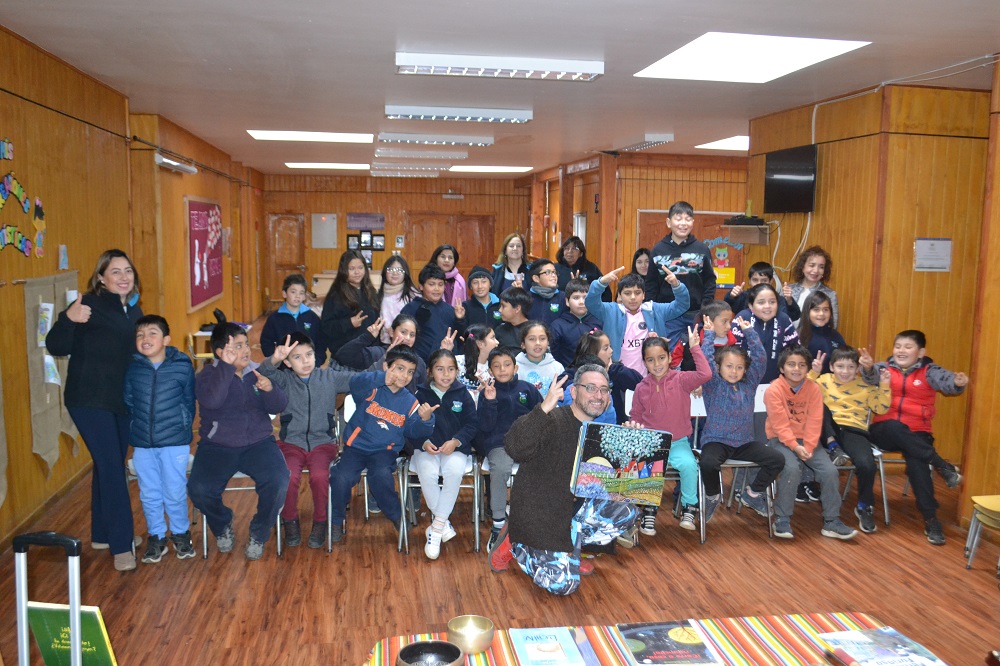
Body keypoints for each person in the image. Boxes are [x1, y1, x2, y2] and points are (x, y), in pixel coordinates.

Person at [488, 366, 639, 596]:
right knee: (564, 585)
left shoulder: (605, 433)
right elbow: (514, 447)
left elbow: (616, 487)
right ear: (574, 391)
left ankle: (571, 552)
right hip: (540, 518)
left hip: (571, 516)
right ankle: (516, 542)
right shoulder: (552, 419)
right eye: (590, 388)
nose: (598, 395)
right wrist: (543, 408)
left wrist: (633, 444)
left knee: (626, 510)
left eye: (603, 390)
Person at [46, 249, 144, 571]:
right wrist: (66, 320)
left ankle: (102, 533)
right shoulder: (87, 304)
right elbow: (56, 345)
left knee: (110, 464)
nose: (123, 277)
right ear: (101, 277)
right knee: (114, 469)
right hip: (88, 399)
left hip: (120, 399)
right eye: (115, 271)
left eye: (127, 270)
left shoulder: (133, 308)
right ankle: (121, 545)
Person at [187, 323, 291, 560]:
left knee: (278, 480)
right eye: (238, 346)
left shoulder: (257, 371)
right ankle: (223, 522)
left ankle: (259, 532)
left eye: (246, 344)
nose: (246, 350)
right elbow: (213, 401)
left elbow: (278, 406)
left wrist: (269, 389)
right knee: (199, 489)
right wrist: (225, 368)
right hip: (217, 446)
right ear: (220, 352)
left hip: (258, 443)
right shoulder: (207, 375)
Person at [258, 333, 362, 549]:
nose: (305, 361)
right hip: (291, 444)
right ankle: (290, 521)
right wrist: (275, 359)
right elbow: (264, 371)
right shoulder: (284, 379)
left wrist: (385, 364)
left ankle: (321, 522)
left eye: (309, 355)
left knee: (320, 476)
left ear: (316, 356)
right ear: (287, 362)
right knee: (288, 477)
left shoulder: (329, 377)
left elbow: (361, 378)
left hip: (323, 444)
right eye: (297, 357)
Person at [865, 330, 967, 545]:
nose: (901, 351)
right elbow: (869, 376)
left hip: (918, 432)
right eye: (898, 346)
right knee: (894, 425)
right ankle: (941, 464)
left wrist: (957, 383)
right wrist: (866, 367)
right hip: (884, 431)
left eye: (908, 347)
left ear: (921, 352)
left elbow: (948, 382)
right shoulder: (883, 368)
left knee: (918, 462)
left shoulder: (930, 371)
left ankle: (931, 519)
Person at [328, 347, 437, 543]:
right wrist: (380, 378)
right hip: (356, 447)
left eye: (410, 372)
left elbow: (413, 432)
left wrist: (425, 420)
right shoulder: (372, 387)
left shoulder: (410, 402)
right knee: (341, 477)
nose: (404, 376)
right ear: (387, 367)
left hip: (384, 452)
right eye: (400, 368)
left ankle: (396, 516)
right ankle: (336, 520)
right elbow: (354, 384)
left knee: (381, 477)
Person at [764, 345, 858, 541]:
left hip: (808, 441)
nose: (796, 369)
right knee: (791, 468)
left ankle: (832, 521)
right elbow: (780, 426)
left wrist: (807, 446)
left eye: (801, 365)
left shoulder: (814, 389)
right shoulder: (774, 390)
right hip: (780, 440)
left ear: (808, 369)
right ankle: (782, 518)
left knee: (830, 471)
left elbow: (816, 421)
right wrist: (795, 447)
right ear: (782, 368)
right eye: (791, 365)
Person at [123, 314, 196, 563]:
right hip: (143, 443)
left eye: (152, 333)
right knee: (149, 493)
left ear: (166, 339)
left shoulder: (182, 366)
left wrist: (182, 425)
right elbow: (129, 401)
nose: (146, 338)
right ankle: (157, 536)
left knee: (174, 491)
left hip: (174, 441)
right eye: (140, 334)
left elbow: (189, 402)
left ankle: (180, 533)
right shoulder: (133, 368)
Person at [697, 316, 784, 524]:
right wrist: (708, 336)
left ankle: (752, 494)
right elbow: (706, 360)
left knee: (777, 460)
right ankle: (712, 495)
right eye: (729, 366)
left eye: (738, 367)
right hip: (716, 441)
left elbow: (761, 358)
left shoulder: (750, 383)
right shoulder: (713, 383)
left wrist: (749, 332)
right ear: (719, 368)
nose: (734, 371)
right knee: (707, 462)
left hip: (744, 443)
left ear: (745, 370)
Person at [630, 330, 711, 534]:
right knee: (647, 465)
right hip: (651, 444)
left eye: (661, 358)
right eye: (650, 360)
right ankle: (649, 511)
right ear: (644, 363)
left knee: (690, 466)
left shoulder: (681, 379)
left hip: (679, 443)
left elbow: (705, 374)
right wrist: (634, 425)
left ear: (669, 358)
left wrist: (694, 347)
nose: (657, 364)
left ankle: (689, 507)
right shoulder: (641, 388)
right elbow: (636, 416)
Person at [809, 346, 891, 534]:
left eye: (850, 367)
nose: (845, 372)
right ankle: (833, 447)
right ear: (831, 366)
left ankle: (864, 506)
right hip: (826, 429)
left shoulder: (865, 385)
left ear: (857, 369)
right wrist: (814, 372)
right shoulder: (823, 380)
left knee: (867, 464)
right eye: (840, 366)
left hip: (853, 430)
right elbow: (801, 393)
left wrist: (885, 385)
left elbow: (882, 408)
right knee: (818, 405)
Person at [407, 350, 479, 560]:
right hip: (426, 448)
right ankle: (443, 524)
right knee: (427, 474)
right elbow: (409, 426)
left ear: (457, 371)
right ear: (430, 372)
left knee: (454, 472)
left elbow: (472, 424)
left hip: (455, 448)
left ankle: (436, 529)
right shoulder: (419, 394)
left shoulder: (463, 393)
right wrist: (423, 441)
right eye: (440, 369)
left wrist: (456, 441)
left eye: (450, 369)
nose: (446, 374)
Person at [476, 347, 543, 550]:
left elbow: (542, 416)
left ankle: (534, 518)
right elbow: (485, 427)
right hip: (500, 444)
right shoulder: (487, 393)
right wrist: (490, 402)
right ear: (490, 371)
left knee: (542, 466)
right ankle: (498, 524)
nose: (502, 369)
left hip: (527, 442)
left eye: (506, 365)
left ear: (515, 367)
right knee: (500, 469)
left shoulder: (528, 389)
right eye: (496, 366)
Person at [585, 266, 690, 376]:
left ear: (644, 294)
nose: (633, 297)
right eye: (627, 293)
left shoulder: (654, 310)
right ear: (619, 295)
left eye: (637, 292)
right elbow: (591, 303)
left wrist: (676, 285)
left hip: (652, 376)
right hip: (619, 376)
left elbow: (682, 305)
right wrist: (601, 282)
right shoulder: (611, 311)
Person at [647, 201, 717, 341]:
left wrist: (705, 308)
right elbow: (650, 285)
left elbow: (710, 281)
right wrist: (652, 312)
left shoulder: (702, 250)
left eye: (688, 219)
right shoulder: (658, 250)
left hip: (696, 313)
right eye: (678, 219)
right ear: (668, 222)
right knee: (670, 353)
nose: (683, 223)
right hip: (668, 314)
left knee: (695, 354)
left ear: (693, 222)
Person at [334, 314, 426, 392]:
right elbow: (342, 356)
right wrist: (367, 337)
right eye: (403, 332)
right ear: (391, 332)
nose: (407, 338)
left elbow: (421, 392)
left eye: (412, 335)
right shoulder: (376, 353)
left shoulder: (419, 363)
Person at [569, 330, 642, 426]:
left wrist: (613, 369)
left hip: (616, 426)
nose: (611, 351)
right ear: (593, 353)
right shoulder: (575, 373)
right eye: (605, 348)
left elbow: (639, 383)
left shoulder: (615, 372)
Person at [400, 263, 465, 362]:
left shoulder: (450, 310)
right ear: (421, 286)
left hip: (447, 364)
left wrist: (460, 320)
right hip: (419, 364)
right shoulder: (410, 309)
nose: (437, 289)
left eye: (440, 284)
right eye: (431, 284)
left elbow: (459, 338)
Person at [320, 250, 379, 356]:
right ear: (344, 270)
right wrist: (349, 323)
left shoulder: (370, 291)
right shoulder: (336, 295)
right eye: (351, 269)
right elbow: (327, 327)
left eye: (360, 268)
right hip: (345, 351)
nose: (357, 272)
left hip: (368, 349)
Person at [259, 273, 327, 365]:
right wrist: (276, 360)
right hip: (284, 369)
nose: (297, 296)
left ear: (304, 296)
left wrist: (317, 361)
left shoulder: (312, 317)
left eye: (301, 293)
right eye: (293, 292)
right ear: (284, 293)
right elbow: (266, 342)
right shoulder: (275, 318)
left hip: (308, 366)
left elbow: (321, 341)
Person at [549, 278, 603, 367]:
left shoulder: (598, 321)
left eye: (585, 297)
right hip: (568, 375)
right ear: (567, 301)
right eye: (576, 298)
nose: (581, 302)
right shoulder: (557, 326)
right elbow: (554, 356)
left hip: (596, 371)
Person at [725, 261, 801, 322]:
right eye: (755, 280)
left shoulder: (778, 299)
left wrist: (789, 301)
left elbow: (794, 316)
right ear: (749, 281)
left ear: (771, 281)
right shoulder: (743, 296)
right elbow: (726, 306)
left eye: (764, 280)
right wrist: (732, 296)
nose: (759, 283)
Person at [789, 246, 839, 328]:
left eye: (821, 267)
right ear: (802, 267)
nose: (816, 270)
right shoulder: (789, 290)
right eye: (812, 265)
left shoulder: (830, 294)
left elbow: (833, 326)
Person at [797, 291, 844, 374]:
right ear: (807, 312)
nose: (821, 314)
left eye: (825, 310)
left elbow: (844, 362)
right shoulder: (798, 336)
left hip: (831, 384)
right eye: (816, 310)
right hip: (806, 384)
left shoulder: (836, 336)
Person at [376, 255, 419, 344]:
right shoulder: (379, 294)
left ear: (405, 273)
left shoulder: (413, 294)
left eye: (399, 270)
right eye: (391, 269)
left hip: (407, 343)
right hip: (385, 342)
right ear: (385, 272)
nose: (395, 273)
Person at [515, 321, 564, 397]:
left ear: (548, 342)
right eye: (532, 339)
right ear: (523, 344)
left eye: (542, 339)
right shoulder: (515, 367)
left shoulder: (557, 367)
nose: (538, 343)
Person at [554, 236, 610, 301]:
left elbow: (605, 293)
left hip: (586, 307)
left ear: (581, 253)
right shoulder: (555, 268)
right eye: (567, 248)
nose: (570, 251)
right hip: (559, 306)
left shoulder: (591, 268)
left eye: (574, 248)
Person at [456, 323, 498, 397]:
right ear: (480, 344)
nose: (497, 342)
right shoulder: (456, 362)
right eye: (493, 338)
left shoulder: (494, 367)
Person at [525, 258, 565, 325]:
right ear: (536, 278)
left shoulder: (563, 297)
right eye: (547, 272)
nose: (553, 275)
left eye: (554, 272)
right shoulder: (526, 298)